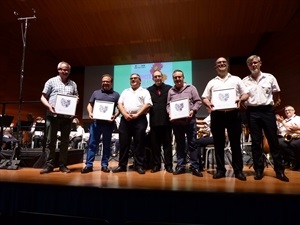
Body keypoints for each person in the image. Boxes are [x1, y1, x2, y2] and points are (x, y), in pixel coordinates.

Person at [242, 55, 289, 182]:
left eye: (255, 63)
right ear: (248, 66)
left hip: (267, 111)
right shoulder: (244, 80)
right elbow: (241, 98)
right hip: (252, 112)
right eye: (250, 64)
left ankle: (279, 171)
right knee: (256, 142)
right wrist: (247, 108)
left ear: (260, 63)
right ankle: (258, 170)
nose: (253, 65)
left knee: (273, 141)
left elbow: (276, 93)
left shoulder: (270, 77)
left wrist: (273, 105)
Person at [201, 57, 249, 181]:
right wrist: (208, 103)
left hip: (233, 114)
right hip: (217, 115)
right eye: (218, 63)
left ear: (227, 65)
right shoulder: (211, 82)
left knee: (235, 144)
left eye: (223, 62)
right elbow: (204, 97)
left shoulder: (236, 79)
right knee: (218, 144)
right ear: (215, 67)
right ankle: (220, 170)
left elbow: (246, 93)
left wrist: (241, 99)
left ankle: (238, 171)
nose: (221, 64)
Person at [40, 61, 79, 174]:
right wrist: (48, 106)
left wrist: (76, 101)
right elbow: (43, 97)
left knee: (65, 142)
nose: (65, 71)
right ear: (58, 70)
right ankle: (49, 165)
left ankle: (63, 165)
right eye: (63, 69)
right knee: (50, 141)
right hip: (53, 115)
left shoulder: (73, 84)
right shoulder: (51, 81)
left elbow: (76, 96)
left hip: (67, 117)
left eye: (67, 70)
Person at [112, 73, 152, 174]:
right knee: (124, 143)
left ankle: (139, 165)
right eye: (131, 78)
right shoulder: (125, 91)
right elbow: (119, 104)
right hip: (125, 120)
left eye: (135, 78)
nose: (133, 80)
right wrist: (125, 114)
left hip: (140, 119)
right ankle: (122, 165)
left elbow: (148, 104)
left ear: (140, 80)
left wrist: (137, 114)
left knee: (139, 144)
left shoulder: (145, 91)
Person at [166, 69, 202, 177]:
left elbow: (198, 101)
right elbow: (168, 105)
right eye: (175, 77)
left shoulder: (191, 88)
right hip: (177, 123)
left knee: (192, 145)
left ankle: (195, 167)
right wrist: (170, 113)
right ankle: (180, 166)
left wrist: (193, 110)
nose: (177, 79)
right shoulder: (171, 91)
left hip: (190, 121)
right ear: (173, 79)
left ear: (183, 77)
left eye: (179, 77)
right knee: (180, 145)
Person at [81, 74, 120, 173]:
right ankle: (89, 165)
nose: (105, 83)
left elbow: (120, 108)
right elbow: (90, 104)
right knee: (92, 144)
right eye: (103, 81)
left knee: (107, 145)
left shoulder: (116, 95)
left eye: (107, 81)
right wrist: (90, 112)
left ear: (111, 83)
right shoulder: (96, 93)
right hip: (96, 123)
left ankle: (104, 165)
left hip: (108, 124)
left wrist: (115, 116)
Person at [147, 70, 173, 173]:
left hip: (167, 121)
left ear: (162, 77)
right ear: (153, 78)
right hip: (154, 121)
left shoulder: (169, 88)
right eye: (155, 76)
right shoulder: (148, 90)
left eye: (159, 76)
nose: (157, 78)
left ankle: (169, 165)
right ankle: (156, 165)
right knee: (155, 145)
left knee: (167, 145)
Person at [276, 105, 300, 170]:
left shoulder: (298, 118)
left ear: (294, 111)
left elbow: (290, 129)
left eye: (289, 110)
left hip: (296, 137)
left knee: (293, 144)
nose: (287, 111)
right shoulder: (285, 120)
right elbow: (280, 131)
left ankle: (296, 162)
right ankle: (289, 161)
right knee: (279, 142)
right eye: (286, 110)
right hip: (287, 137)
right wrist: (278, 124)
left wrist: (283, 122)